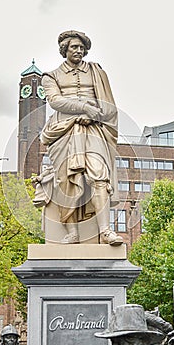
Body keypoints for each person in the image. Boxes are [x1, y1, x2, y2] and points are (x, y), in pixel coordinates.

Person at [40, 30, 123, 245]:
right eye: (73, 47)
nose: (78, 50)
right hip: (64, 132)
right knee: (66, 181)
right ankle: (73, 232)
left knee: (99, 176)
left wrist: (94, 114)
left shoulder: (97, 72)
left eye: (81, 47)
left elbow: (108, 104)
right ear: (64, 50)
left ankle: (105, 231)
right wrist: (84, 108)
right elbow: (56, 101)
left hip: (93, 130)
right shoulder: (51, 76)